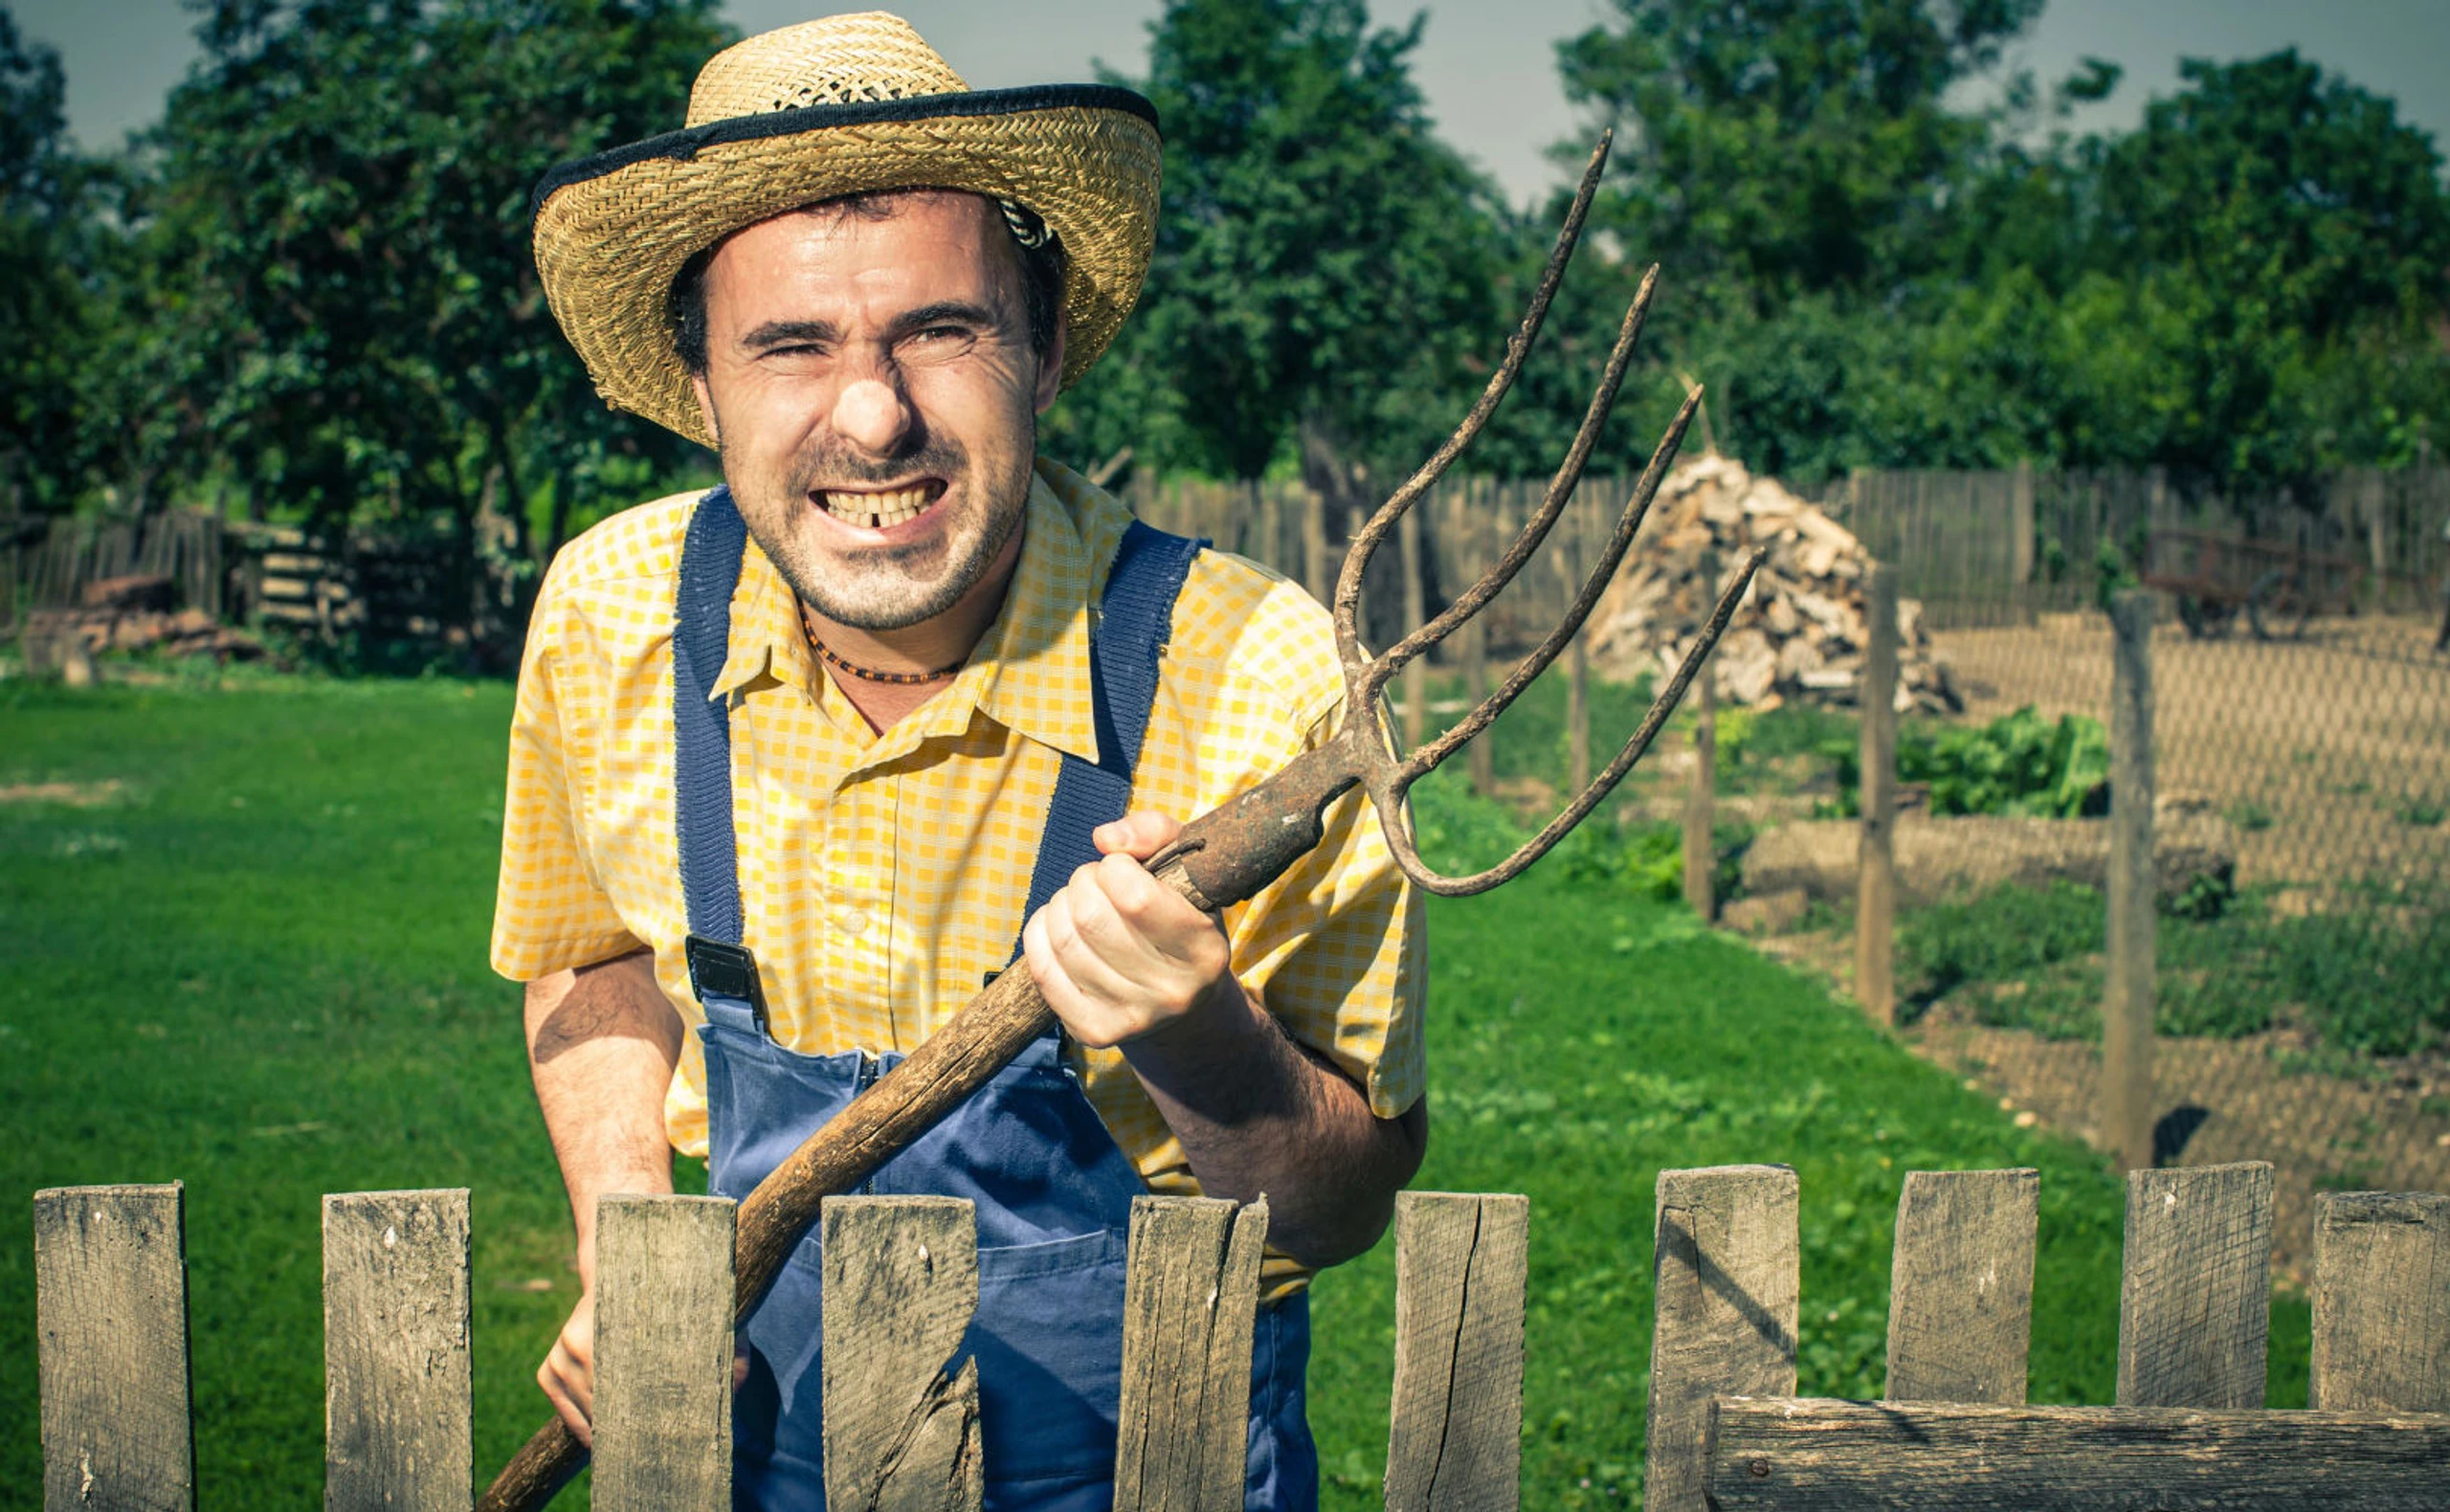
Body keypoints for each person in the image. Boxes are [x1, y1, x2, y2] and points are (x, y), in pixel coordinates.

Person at [496, 13, 1426, 1508]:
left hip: (1148, 1468)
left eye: (940, 329)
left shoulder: (1258, 671)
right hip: (747, 1452)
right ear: (699, 379)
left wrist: (1201, 1041)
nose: (872, 417)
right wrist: (630, 1250)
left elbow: (1338, 1206)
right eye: (790, 344)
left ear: (1046, 345)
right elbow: (590, 956)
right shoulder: (609, 618)